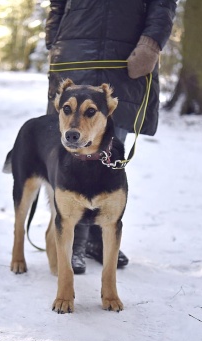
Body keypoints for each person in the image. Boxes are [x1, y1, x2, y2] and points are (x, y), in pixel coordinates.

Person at [45, 0, 177, 274]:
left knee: (108, 149)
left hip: (125, 55)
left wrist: (151, 43)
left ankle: (100, 235)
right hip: (75, 51)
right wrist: (53, 38)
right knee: (70, 153)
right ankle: (74, 241)